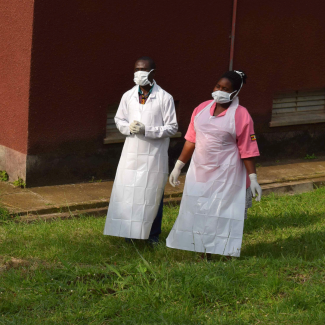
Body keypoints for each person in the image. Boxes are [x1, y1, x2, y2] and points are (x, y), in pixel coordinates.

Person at [166, 70, 261, 257]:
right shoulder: (201, 109)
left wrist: (253, 178)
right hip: (201, 171)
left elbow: (247, 149)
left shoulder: (241, 115)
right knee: (200, 210)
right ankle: (203, 249)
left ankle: (225, 250)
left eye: (226, 89)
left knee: (225, 211)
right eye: (218, 86)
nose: (220, 91)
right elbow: (191, 140)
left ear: (235, 92)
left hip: (228, 173)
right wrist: (178, 166)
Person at [103, 56, 178, 243]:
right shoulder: (128, 96)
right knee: (129, 193)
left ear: (152, 72)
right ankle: (130, 234)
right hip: (132, 153)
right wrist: (127, 128)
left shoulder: (164, 97)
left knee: (153, 194)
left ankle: (152, 236)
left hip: (154, 155)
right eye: (136, 69)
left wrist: (148, 130)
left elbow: (172, 127)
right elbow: (119, 119)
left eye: (143, 70)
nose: (138, 73)